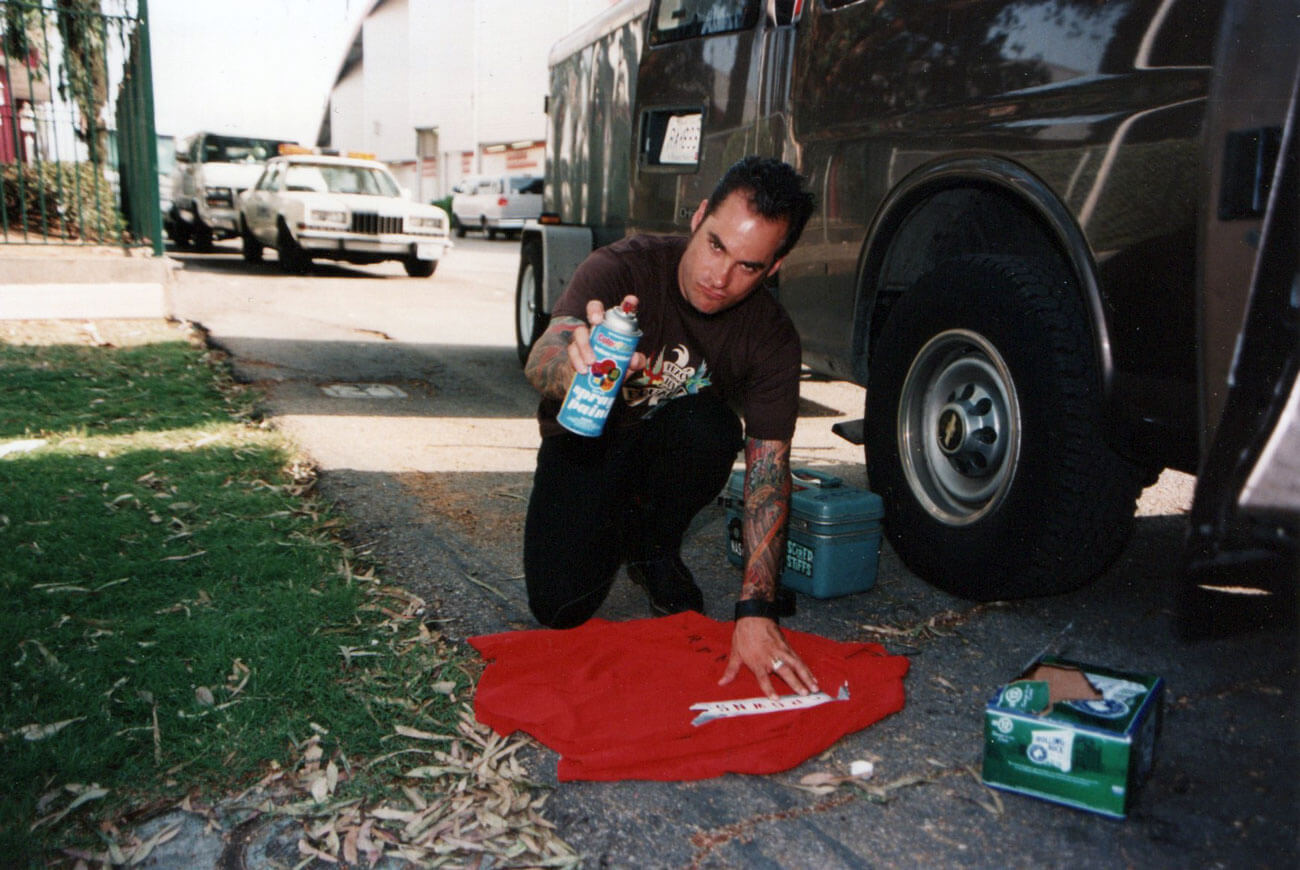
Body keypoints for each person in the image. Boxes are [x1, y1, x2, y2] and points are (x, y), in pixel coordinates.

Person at [522, 156, 816, 700]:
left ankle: (652, 547)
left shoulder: (772, 337)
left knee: (712, 427)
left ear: (774, 267)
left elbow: (769, 475)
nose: (718, 277)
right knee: (559, 608)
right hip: (589, 448)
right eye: (716, 244)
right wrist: (572, 364)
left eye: (748, 266)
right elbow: (542, 355)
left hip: (669, 448)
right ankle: (611, 528)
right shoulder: (623, 268)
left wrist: (755, 609)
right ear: (698, 216)